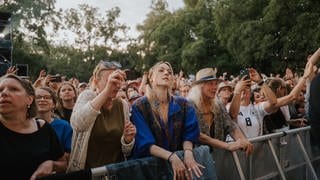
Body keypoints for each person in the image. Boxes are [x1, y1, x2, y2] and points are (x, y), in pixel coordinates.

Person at [131, 61, 204, 179]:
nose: (166, 73)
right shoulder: (140, 106)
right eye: (161, 70)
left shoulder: (184, 104)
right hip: (152, 171)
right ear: (151, 78)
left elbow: (190, 133)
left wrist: (188, 152)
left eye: (169, 72)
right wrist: (172, 157)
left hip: (181, 170)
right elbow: (145, 143)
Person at [67, 60, 136, 172]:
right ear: (96, 81)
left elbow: (126, 151)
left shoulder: (122, 105)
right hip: (87, 173)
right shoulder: (87, 96)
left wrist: (127, 140)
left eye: (118, 79)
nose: (115, 84)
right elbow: (77, 124)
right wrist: (106, 91)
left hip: (114, 172)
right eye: (110, 80)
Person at [0, 74, 67, 180]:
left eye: (13, 89)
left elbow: (63, 163)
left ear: (29, 99)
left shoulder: (43, 127)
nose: (3, 93)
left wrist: (52, 164)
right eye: (0, 90)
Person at [229, 62, 313, 138]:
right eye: (241, 85)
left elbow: (274, 102)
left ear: (251, 91)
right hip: (235, 153)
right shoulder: (229, 106)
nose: (243, 89)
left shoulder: (257, 108)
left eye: (247, 86)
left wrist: (260, 81)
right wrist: (237, 91)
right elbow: (233, 114)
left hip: (255, 151)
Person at [187, 68, 253, 155]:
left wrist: (242, 139)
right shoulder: (189, 105)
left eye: (216, 84)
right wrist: (227, 146)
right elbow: (197, 134)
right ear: (200, 86)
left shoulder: (218, 104)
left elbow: (231, 125)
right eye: (210, 84)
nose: (215, 87)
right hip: (197, 161)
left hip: (220, 158)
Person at [35, 86, 73, 155]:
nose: (42, 100)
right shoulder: (23, 124)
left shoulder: (64, 126)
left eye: (47, 97)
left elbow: (68, 154)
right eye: (38, 97)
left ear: (54, 104)